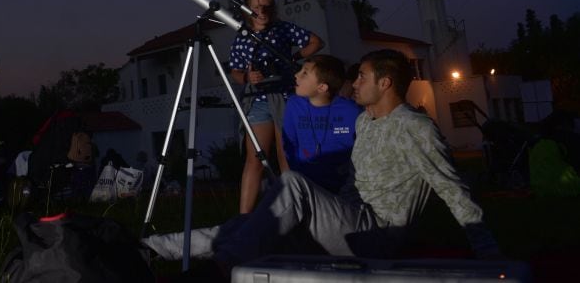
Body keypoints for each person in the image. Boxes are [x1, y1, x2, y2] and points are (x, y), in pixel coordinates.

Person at [144, 49, 500, 276]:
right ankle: (153, 249)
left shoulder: (416, 128)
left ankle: (222, 268)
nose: (353, 82)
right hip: (345, 220)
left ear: (386, 82)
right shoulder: (364, 121)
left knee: (292, 184)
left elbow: (453, 189)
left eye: (361, 76)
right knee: (251, 221)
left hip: (377, 235)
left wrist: (489, 256)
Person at [228, 0, 323, 213]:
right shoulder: (241, 36)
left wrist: (292, 57)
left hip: (285, 96)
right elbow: (235, 72)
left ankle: (294, 211)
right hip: (258, 99)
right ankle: (244, 218)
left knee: (286, 157)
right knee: (255, 160)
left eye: (267, 6)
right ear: (246, 9)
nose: (262, 11)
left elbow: (316, 42)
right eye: (256, 7)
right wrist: (248, 77)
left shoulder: (282, 29)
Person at [282, 54, 361, 193]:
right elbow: (289, 143)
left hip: (340, 188)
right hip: (305, 185)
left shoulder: (352, 111)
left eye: (305, 73)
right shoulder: (294, 104)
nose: (297, 75)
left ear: (322, 87)